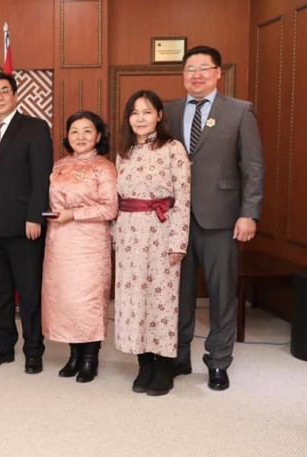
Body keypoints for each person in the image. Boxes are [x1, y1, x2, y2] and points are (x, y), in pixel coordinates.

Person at [165, 45, 264, 391]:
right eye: (190, 69)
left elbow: (253, 167)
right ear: (183, 75)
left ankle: (218, 361)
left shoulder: (239, 111)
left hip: (222, 218)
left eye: (203, 68)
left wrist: (249, 214)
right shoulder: (168, 111)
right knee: (178, 292)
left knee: (222, 293)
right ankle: (178, 355)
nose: (196, 75)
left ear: (218, 73)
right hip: (174, 219)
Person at [0, 72, 53, 374]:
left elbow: (42, 175)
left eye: (4, 91)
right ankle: (3, 346)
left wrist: (35, 216)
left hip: (23, 225)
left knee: (29, 291)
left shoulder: (34, 128)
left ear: (15, 95)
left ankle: (33, 350)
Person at [114, 90, 191, 396]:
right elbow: (118, 200)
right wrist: (115, 238)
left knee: (161, 301)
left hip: (162, 232)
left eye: (147, 112)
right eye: (134, 113)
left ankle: (164, 366)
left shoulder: (173, 149)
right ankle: (143, 363)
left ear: (159, 115)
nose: (140, 118)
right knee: (133, 301)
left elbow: (183, 198)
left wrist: (178, 242)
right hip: (129, 236)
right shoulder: (124, 153)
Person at [41, 111, 117, 383]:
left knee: (88, 300)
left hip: (89, 243)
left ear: (98, 136)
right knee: (65, 298)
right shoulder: (59, 165)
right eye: (74, 131)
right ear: (67, 136)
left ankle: (90, 357)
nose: (80, 136)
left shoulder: (104, 167)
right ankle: (74, 354)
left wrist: (74, 214)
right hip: (60, 241)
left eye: (87, 131)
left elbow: (110, 208)